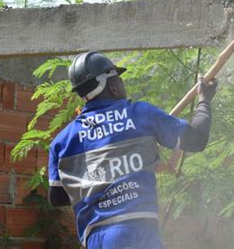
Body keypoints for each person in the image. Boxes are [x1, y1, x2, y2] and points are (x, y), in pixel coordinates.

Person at [48, 51, 217, 248]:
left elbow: (57, 197)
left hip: (98, 238)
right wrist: (204, 99)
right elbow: (196, 139)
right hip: (140, 231)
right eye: (119, 80)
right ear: (112, 86)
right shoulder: (140, 114)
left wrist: (100, 177)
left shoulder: (63, 141)